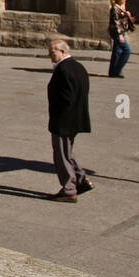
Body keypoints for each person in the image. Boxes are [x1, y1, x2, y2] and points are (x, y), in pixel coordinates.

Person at [47, 38, 92, 202]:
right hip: (76, 118)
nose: (50, 56)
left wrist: (60, 122)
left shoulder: (63, 70)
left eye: (52, 52)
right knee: (67, 153)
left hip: (64, 121)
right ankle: (81, 180)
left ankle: (69, 189)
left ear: (62, 51)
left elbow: (66, 99)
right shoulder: (78, 66)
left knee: (61, 155)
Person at [107, 0, 135, 79]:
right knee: (127, 50)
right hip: (118, 33)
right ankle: (118, 70)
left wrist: (127, 16)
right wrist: (119, 35)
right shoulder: (115, 8)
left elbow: (122, 21)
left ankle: (112, 72)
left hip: (121, 32)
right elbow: (116, 22)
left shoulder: (120, 8)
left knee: (117, 52)